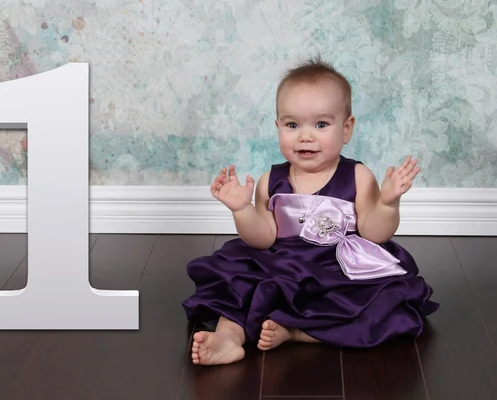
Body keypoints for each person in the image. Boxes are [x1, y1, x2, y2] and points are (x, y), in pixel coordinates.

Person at [181, 56, 440, 366]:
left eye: (321, 124)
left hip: (338, 268)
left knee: (375, 304)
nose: (305, 136)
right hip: (282, 264)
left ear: (346, 129)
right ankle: (230, 337)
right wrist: (242, 210)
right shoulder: (270, 181)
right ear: (277, 126)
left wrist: (387, 203)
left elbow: (375, 233)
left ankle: (299, 334)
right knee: (239, 281)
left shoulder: (357, 176)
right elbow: (263, 238)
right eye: (292, 125)